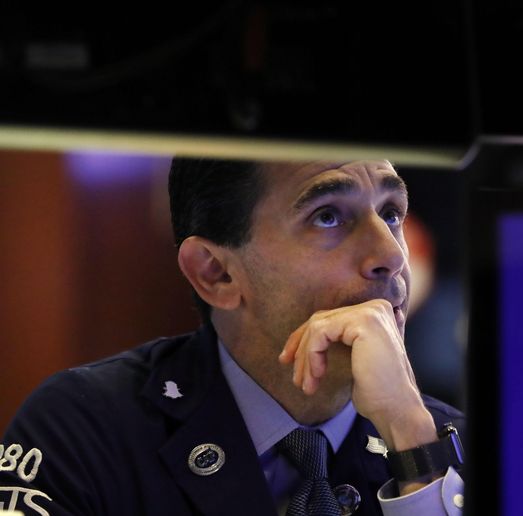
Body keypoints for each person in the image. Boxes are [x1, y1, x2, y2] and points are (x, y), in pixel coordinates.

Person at [0, 158, 465, 516]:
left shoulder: (457, 444)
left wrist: (414, 449)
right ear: (216, 272)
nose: (390, 254)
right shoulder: (83, 430)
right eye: (328, 216)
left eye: (391, 213)